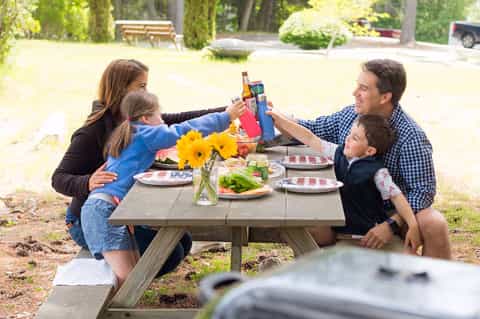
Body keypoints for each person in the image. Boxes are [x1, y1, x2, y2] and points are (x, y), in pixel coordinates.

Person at [51, 59, 229, 275]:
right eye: (141, 86)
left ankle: (128, 274)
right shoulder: (92, 131)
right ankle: (118, 285)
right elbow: (58, 178)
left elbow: (179, 121)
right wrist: (87, 182)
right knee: (169, 253)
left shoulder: (136, 121)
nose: (146, 91)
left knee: (181, 241)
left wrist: (227, 111)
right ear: (121, 89)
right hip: (88, 219)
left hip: (122, 210)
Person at [290, 59, 451, 259]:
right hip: (352, 205)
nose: (355, 92)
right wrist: (274, 116)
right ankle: (313, 275)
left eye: (363, 88)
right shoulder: (351, 115)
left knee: (434, 223)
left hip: (394, 210)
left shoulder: (411, 136)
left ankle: (437, 283)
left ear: (385, 97)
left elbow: (423, 192)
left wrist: (392, 224)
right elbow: (313, 130)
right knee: (308, 215)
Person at [81, 90, 245, 286]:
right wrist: (225, 117)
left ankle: (126, 309)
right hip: (102, 212)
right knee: (127, 280)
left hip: (107, 208)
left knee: (134, 275)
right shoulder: (144, 133)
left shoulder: (131, 131)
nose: (163, 119)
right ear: (145, 118)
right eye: (159, 114)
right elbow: (183, 130)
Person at [268, 111, 422, 253]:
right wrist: (280, 121)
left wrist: (412, 224)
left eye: (355, 138)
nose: (347, 139)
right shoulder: (339, 153)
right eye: (350, 134)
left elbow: (397, 196)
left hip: (365, 238)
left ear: (369, 151)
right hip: (342, 235)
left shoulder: (378, 172)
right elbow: (310, 138)